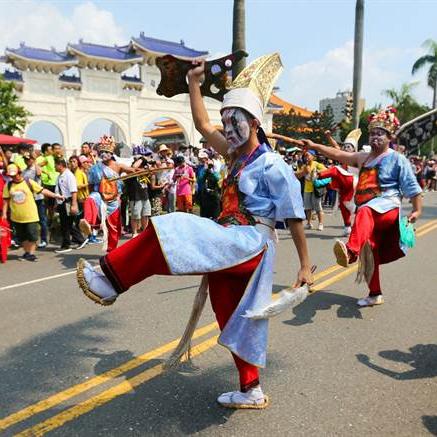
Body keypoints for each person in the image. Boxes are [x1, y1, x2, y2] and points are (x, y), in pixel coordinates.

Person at [76, 53, 313, 409]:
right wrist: (193, 83)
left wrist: (305, 266)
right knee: (232, 317)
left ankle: (111, 279)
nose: (228, 128)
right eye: (226, 120)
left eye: (235, 120)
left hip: (249, 242)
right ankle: (252, 389)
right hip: (231, 242)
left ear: (255, 121)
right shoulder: (235, 155)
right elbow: (202, 125)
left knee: (173, 226)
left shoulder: (272, 164)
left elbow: (294, 217)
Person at [300, 107, 422, 307]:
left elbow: (412, 187)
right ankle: (375, 294)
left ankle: (350, 252)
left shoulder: (397, 159)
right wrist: (315, 145)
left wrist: (416, 210)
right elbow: (338, 154)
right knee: (370, 251)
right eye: (372, 133)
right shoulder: (363, 158)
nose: (375, 137)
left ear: (389, 136)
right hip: (368, 215)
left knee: (364, 212)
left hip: (387, 209)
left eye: (379, 133)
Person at [79, 136, 138, 252]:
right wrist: (94, 195)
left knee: (113, 227)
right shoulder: (95, 168)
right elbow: (91, 185)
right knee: (90, 199)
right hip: (99, 196)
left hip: (113, 200)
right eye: (101, 152)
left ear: (111, 153)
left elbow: (133, 171)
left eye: (106, 152)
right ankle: (87, 222)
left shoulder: (118, 166)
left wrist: (145, 170)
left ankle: (111, 250)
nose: (103, 154)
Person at [2, 163, 63, 261]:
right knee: (22, 236)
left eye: (15, 174)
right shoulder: (8, 185)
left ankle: (31, 253)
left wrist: (56, 196)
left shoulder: (28, 182)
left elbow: (42, 190)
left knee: (32, 235)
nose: (14, 177)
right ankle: (27, 253)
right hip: (16, 216)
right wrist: (4, 214)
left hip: (30, 215)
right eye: (11, 175)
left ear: (19, 172)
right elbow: (6, 200)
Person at [319, 129, 361, 236]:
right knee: (343, 205)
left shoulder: (358, 157)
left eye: (349, 147)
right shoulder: (342, 155)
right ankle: (347, 226)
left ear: (354, 149)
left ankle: (320, 174)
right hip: (343, 184)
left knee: (335, 170)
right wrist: (328, 136)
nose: (346, 148)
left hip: (354, 183)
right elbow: (335, 147)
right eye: (345, 146)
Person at [54, 158, 87, 253]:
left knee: (66, 224)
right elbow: (58, 191)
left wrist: (74, 204)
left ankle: (66, 245)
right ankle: (79, 240)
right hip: (61, 202)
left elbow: (73, 191)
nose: (54, 167)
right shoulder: (60, 176)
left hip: (67, 202)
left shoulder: (69, 176)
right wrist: (56, 203)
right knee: (66, 224)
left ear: (60, 165)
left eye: (56, 165)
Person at [23, 153, 48, 248]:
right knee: (31, 220)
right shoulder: (24, 171)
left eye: (28, 159)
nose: (27, 161)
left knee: (42, 220)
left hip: (38, 198)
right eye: (25, 159)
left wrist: (35, 161)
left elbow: (38, 174)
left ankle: (44, 240)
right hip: (29, 199)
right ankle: (31, 240)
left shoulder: (36, 168)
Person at [298, 150, 326, 230]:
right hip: (307, 189)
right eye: (305, 156)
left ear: (313, 156)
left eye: (308, 155)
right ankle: (309, 223)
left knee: (318, 207)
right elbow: (299, 175)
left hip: (316, 189)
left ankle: (320, 223)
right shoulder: (304, 166)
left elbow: (326, 170)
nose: (306, 157)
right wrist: (303, 172)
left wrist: (317, 172)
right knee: (307, 207)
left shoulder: (317, 164)